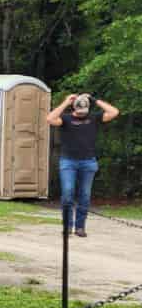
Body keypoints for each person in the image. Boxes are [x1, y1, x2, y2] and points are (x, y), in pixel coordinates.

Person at [46, 92, 120, 238]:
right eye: (79, 112)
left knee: (84, 196)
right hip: (68, 162)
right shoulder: (66, 118)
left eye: (84, 112)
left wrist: (94, 99)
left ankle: (80, 227)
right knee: (67, 193)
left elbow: (114, 112)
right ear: (74, 108)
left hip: (88, 162)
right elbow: (49, 118)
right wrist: (66, 102)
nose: (81, 114)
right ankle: (67, 226)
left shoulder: (93, 118)